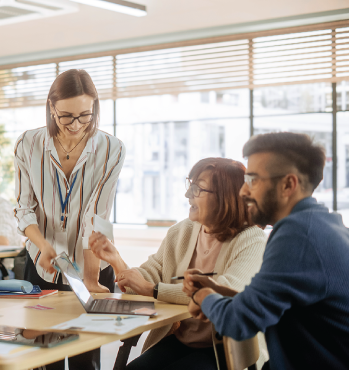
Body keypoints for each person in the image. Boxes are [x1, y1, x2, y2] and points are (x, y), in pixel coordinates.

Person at [185, 133, 349, 369]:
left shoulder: (298, 235)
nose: (242, 191)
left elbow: (237, 322)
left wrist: (203, 297)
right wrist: (216, 290)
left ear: (287, 185)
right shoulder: (323, 223)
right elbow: (268, 303)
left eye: (252, 180)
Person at [90, 157, 267, 369]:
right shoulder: (181, 232)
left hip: (224, 348)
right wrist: (116, 260)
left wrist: (153, 289)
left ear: (225, 197)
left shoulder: (251, 239)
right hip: (181, 340)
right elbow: (148, 277)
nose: (187, 195)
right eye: (189, 185)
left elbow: (227, 291)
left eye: (198, 189)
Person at [14, 69, 125, 370]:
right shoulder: (29, 144)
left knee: (83, 360)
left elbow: (97, 217)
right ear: (51, 107)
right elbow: (23, 209)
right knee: (41, 355)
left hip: (91, 265)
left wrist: (89, 278)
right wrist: (43, 245)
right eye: (66, 116)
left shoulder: (111, 149)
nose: (76, 125)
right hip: (41, 267)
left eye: (85, 115)